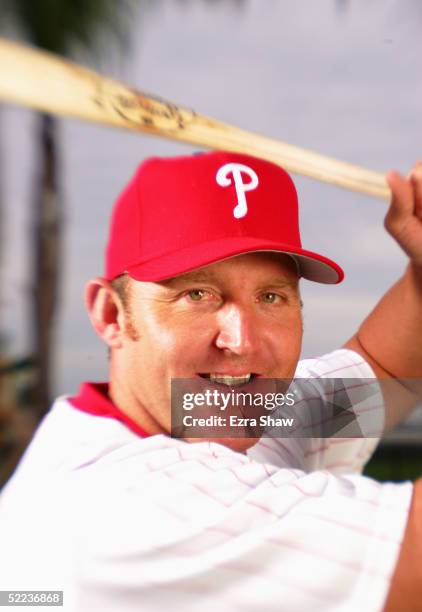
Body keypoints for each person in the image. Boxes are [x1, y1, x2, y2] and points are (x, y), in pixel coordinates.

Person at [0, 151, 421, 611]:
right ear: (111, 314)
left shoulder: (187, 420)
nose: (241, 342)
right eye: (196, 294)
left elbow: (387, 371)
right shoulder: (132, 505)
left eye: (271, 296)